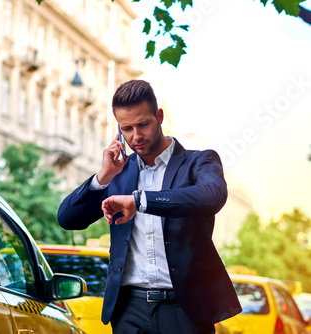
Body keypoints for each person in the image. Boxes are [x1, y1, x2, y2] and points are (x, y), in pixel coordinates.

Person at [57, 80, 241, 333]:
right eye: (127, 128)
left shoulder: (198, 162)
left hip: (185, 310)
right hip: (128, 310)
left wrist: (141, 201)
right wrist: (103, 176)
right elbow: (68, 219)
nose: (136, 136)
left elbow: (211, 196)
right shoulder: (118, 174)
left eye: (143, 124)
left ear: (159, 116)